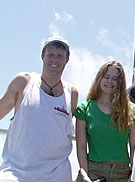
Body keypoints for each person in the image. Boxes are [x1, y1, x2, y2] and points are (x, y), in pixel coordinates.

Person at [0, 37, 78, 181]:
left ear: (67, 60)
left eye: (60, 56)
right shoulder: (23, 82)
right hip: (16, 174)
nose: (55, 60)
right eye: (50, 55)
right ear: (42, 56)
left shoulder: (72, 93)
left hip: (58, 175)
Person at [74, 61, 135, 182]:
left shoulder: (131, 109)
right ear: (99, 78)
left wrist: (134, 175)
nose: (110, 81)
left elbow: (134, 146)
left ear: (120, 83)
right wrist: (84, 173)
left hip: (122, 173)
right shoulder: (84, 108)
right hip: (93, 171)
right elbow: (81, 145)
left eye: (115, 79)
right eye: (106, 77)